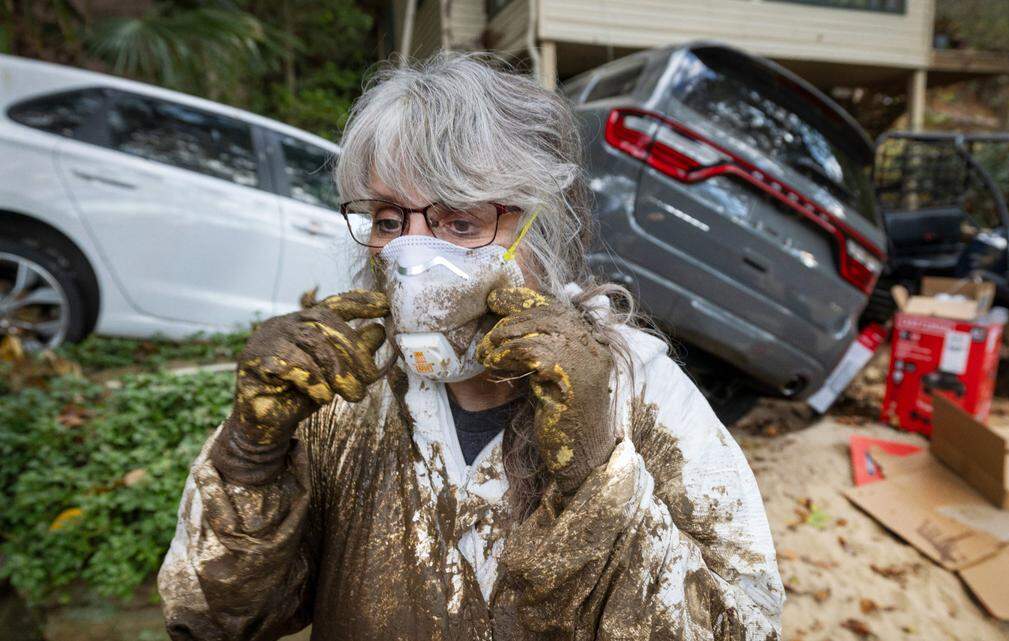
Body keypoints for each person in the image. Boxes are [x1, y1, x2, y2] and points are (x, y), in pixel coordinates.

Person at [158, 52, 784, 641]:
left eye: (461, 220)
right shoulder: (340, 395)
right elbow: (210, 620)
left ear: (545, 226)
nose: (411, 257)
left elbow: (744, 626)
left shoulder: (638, 392)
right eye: (387, 220)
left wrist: (597, 472)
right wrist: (250, 457)